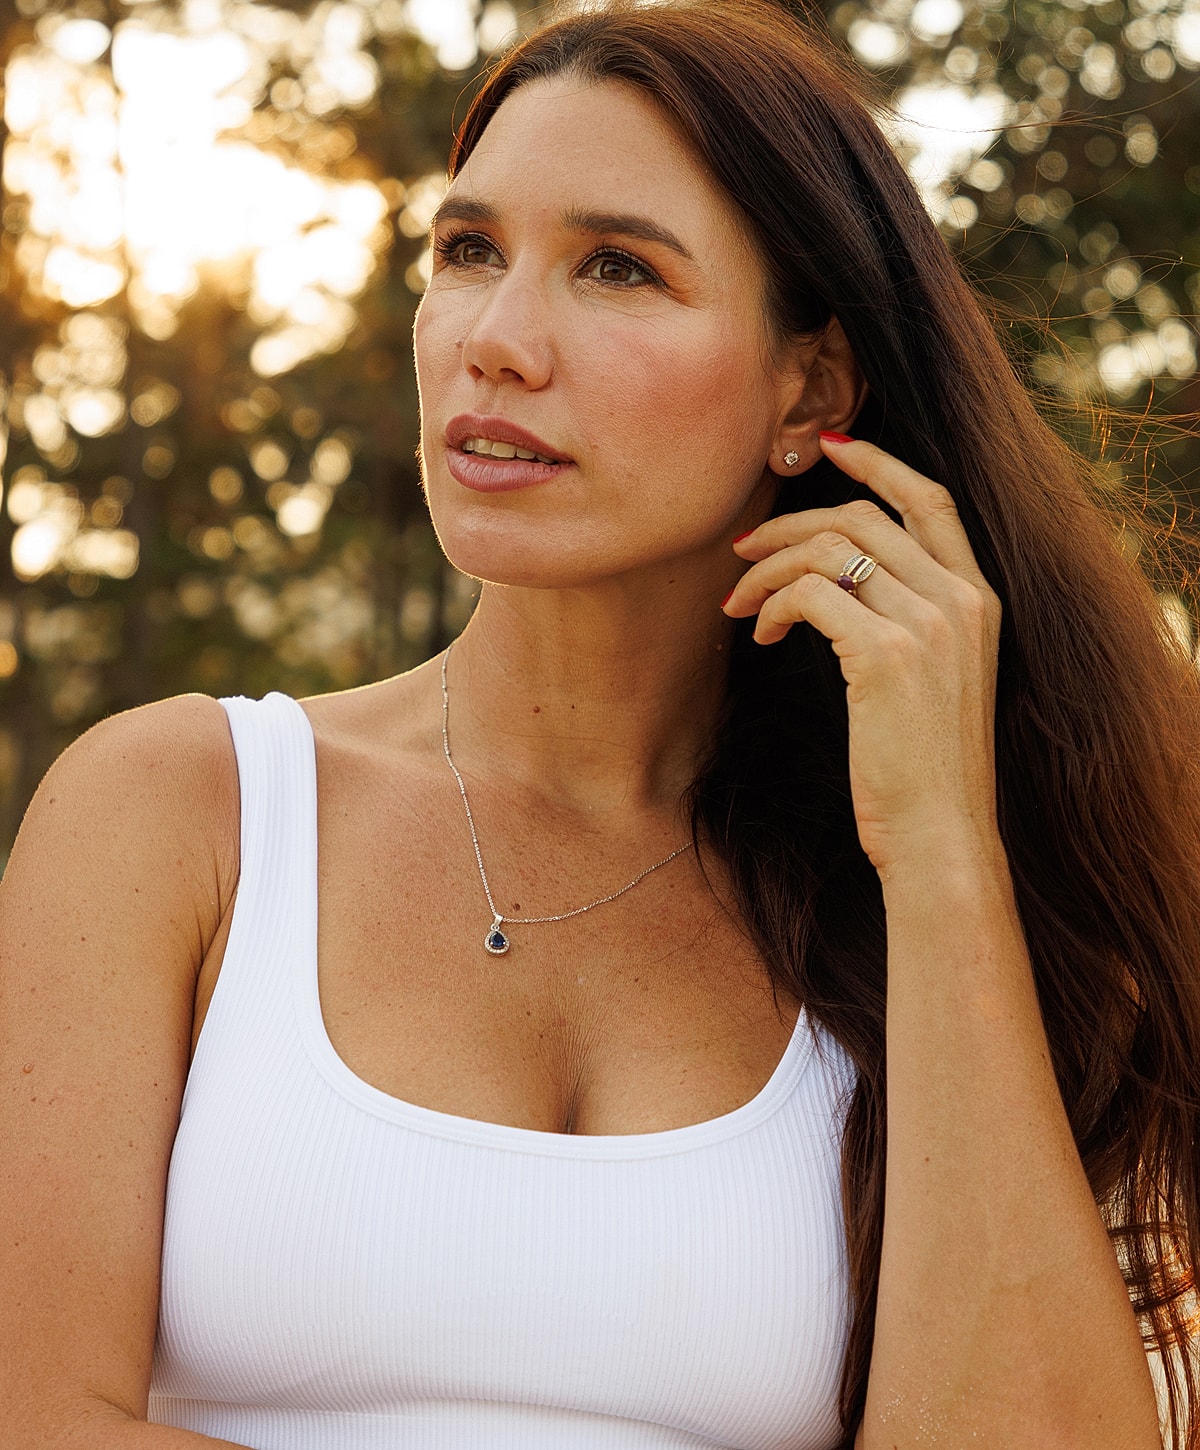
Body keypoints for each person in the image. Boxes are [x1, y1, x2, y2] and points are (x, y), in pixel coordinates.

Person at [3, 0, 1198, 1445]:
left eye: (617, 267)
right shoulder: (180, 808)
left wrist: (943, 852)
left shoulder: (930, 913)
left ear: (809, 386)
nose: (498, 339)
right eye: (467, 252)